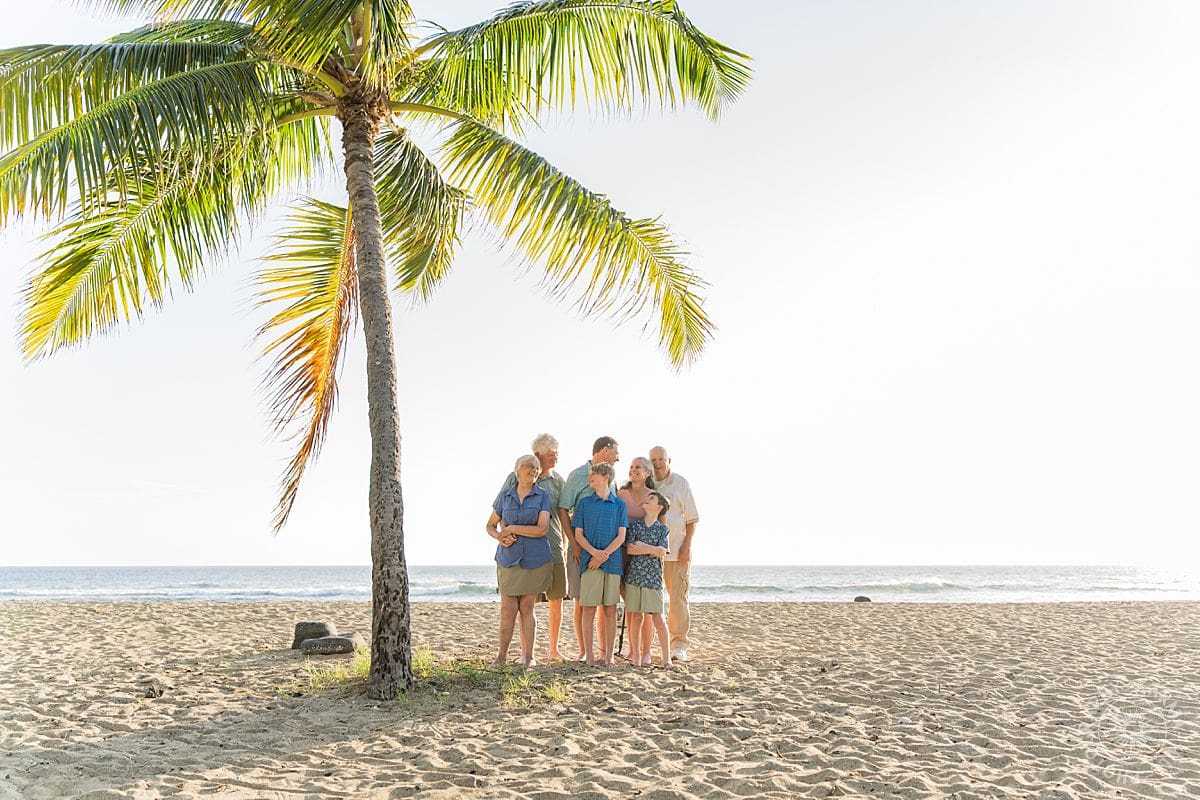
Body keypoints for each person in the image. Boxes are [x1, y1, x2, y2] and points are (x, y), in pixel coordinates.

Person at [496, 433, 568, 661]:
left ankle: (552, 649)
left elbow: (564, 514)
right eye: (551, 455)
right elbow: (504, 507)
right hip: (517, 550)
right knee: (524, 604)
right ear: (537, 455)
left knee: (555, 598)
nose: (555, 459)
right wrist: (503, 534)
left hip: (552, 546)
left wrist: (571, 543)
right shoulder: (513, 478)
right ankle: (523, 653)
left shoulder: (556, 482)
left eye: (556, 454)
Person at [486, 454, 552, 667]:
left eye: (536, 467)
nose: (533, 470)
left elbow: (542, 529)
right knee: (507, 608)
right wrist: (500, 537)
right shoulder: (505, 496)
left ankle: (529, 656)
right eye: (529, 466)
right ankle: (501, 656)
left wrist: (513, 528)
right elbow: (490, 525)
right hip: (508, 558)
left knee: (526, 606)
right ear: (518, 470)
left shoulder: (543, 496)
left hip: (535, 558)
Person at [558, 436, 620, 660]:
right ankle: (585, 651)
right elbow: (563, 509)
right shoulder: (578, 475)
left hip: (607, 553)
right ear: (605, 450)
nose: (618, 458)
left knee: (606, 604)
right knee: (581, 601)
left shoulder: (611, 477)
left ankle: (605, 651)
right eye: (616, 453)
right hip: (580, 549)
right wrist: (573, 545)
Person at [572, 463, 627, 666]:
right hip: (590, 564)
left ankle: (609, 656)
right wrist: (594, 553)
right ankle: (589, 655)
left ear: (605, 476)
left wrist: (604, 555)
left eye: (593, 474)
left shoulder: (619, 505)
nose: (589, 478)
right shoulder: (585, 503)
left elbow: (621, 536)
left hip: (612, 564)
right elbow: (578, 535)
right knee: (588, 609)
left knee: (610, 609)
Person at [649, 445, 700, 662]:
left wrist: (686, 547)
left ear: (669, 460)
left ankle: (679, 644)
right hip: (650, 553)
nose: (657, 463)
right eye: (654, 460)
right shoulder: (647, 483)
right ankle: (646, 645)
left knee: (678, 599)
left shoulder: (681, 484)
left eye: (661, 459)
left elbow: (691, 519)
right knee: (650, 601)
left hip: (676, 551)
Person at [624, 490, 673, 669]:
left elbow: (662, 552)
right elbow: (630, 549)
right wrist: (652, 549)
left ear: (659, 507)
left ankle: (666, 657)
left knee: (658, 618)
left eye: (651, 498)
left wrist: (642, 546)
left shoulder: (663, 529)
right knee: (635, 618)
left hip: (652, 579)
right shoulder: (636, 526)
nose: (646, 499)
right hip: (634, 577)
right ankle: (636, 656)